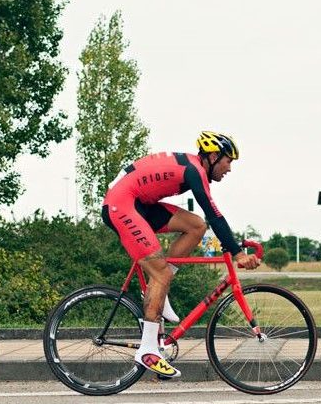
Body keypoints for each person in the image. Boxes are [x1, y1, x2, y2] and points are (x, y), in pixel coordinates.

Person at [101, 131, 261, 378]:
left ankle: (159, 291)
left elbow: (207, 221)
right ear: (213, 156)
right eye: (228, 162)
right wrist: (238, 253)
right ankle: (147, 350)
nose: (229, 169)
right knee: (161, 273)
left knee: (196, 226)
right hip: (122, 204)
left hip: (138, 203)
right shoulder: (195, 171)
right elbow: (214, 214)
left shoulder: (193, 166)